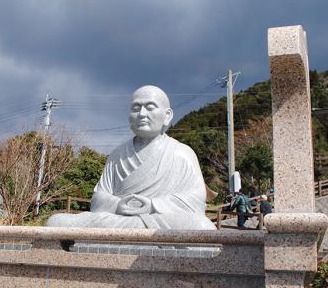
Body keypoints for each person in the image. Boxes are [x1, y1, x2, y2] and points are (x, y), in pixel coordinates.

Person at [46, 85, 215, 230]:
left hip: (161, 220)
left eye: (150, 107)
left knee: (200, 225)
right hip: (119, 219)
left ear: (167, 115)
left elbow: (196, 200)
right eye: (136, 108)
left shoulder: (181, 152)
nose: (141, 114)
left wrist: (152, 205)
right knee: (56, 221)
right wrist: (119, 205)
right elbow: (98, 199)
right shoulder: (117, 155)